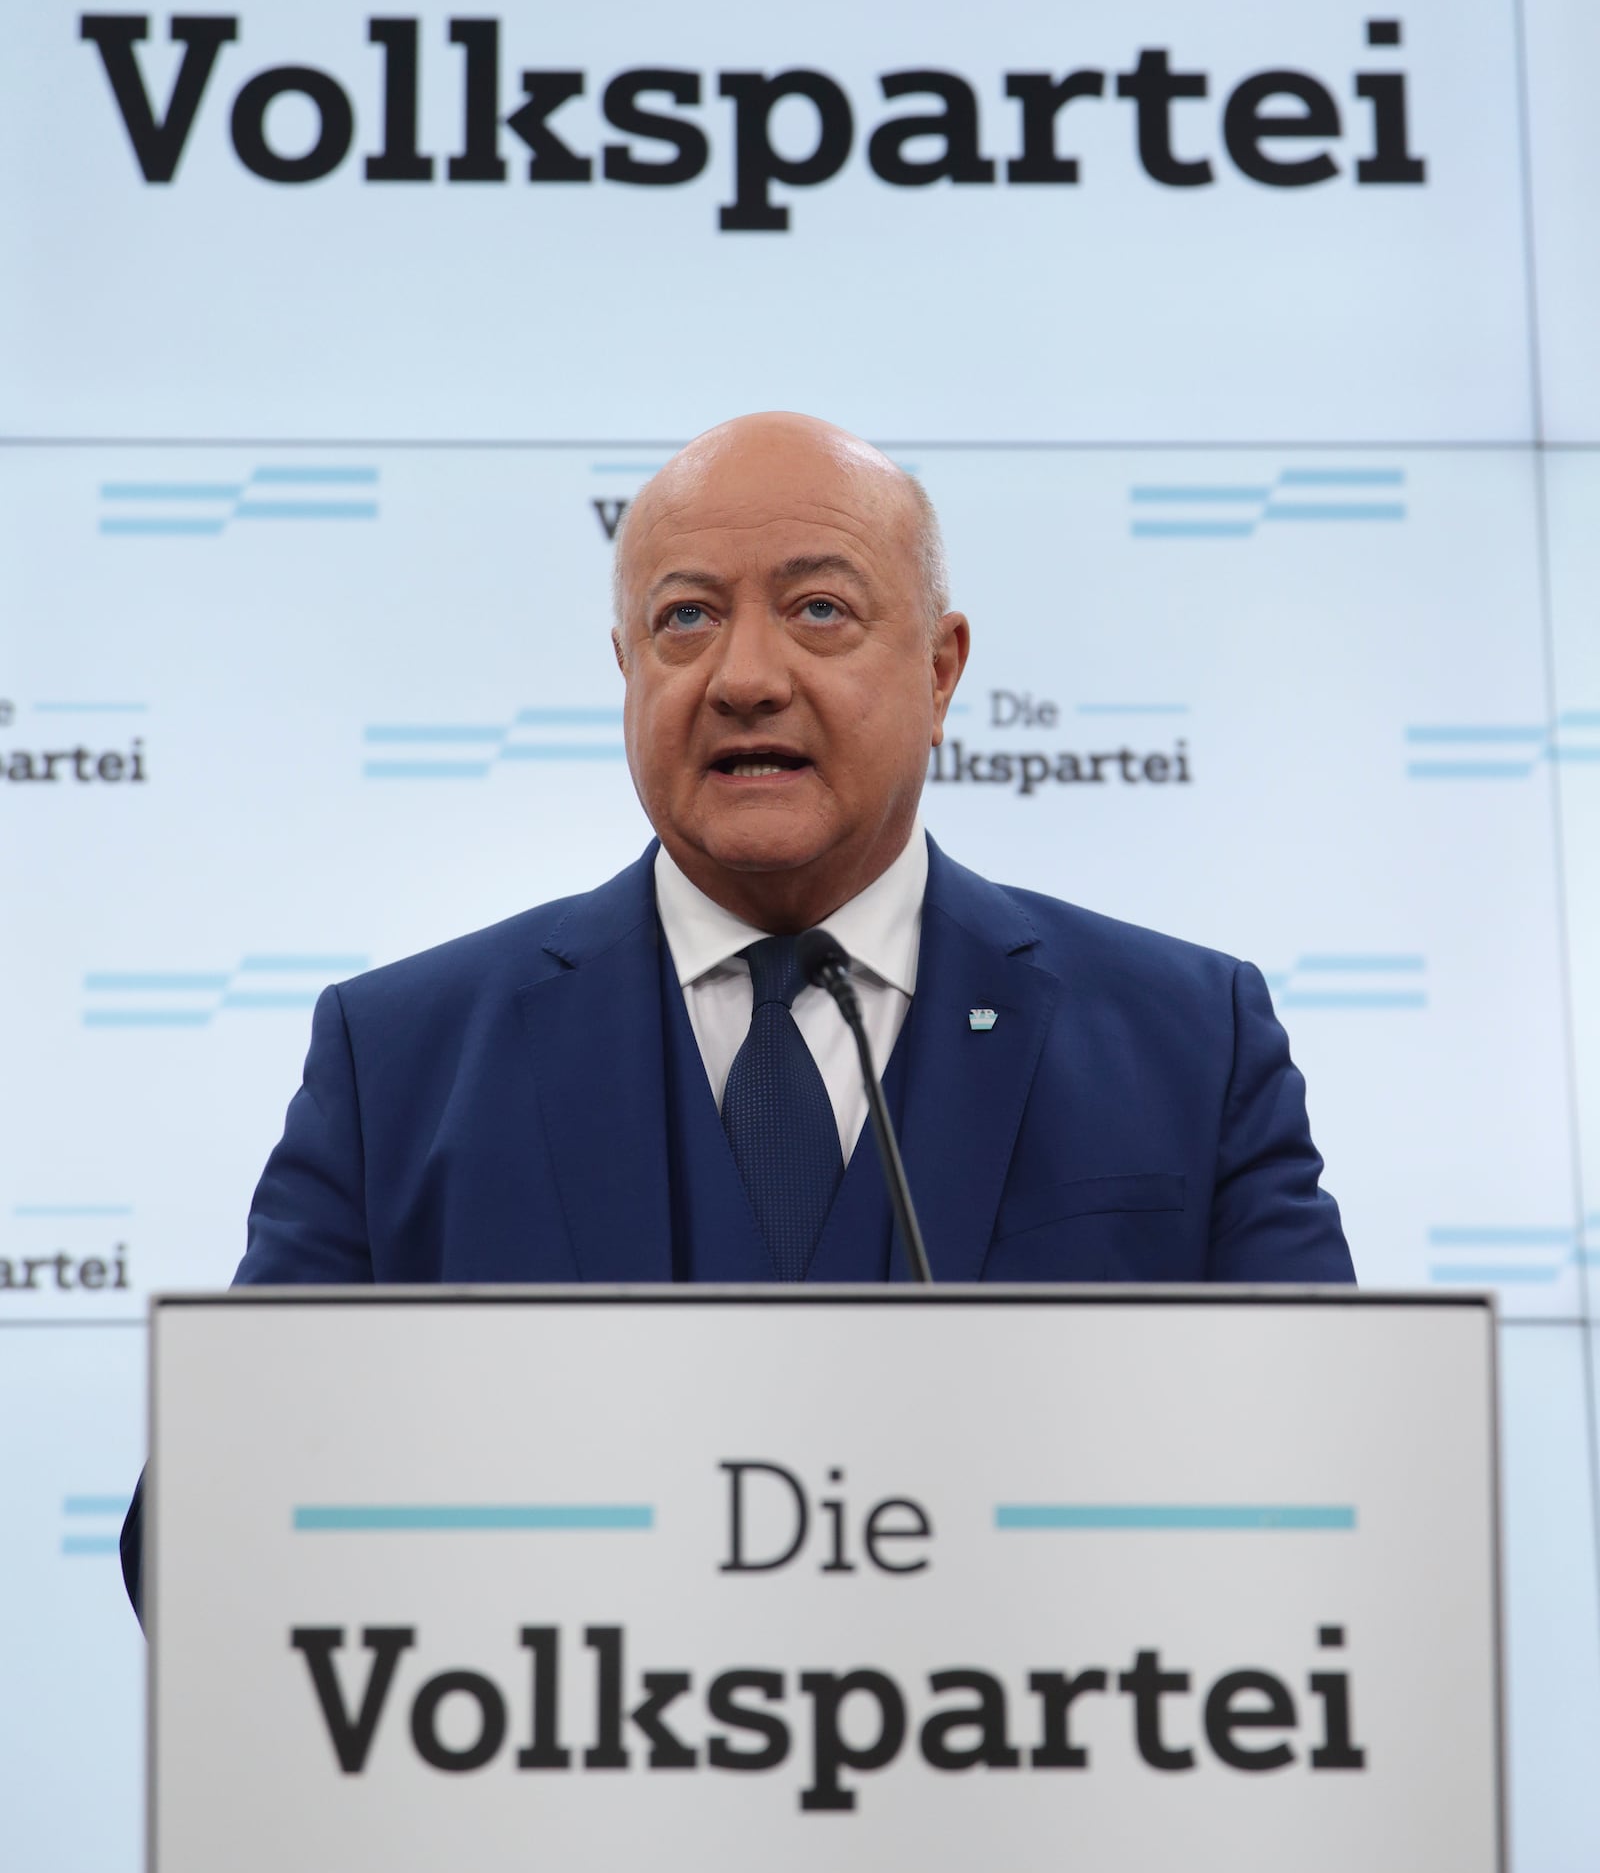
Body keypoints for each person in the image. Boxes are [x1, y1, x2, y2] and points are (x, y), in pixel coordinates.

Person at [120, 410, 1352, 1613]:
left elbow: (1331, 1497)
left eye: (819, 610)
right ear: (626, 671)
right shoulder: (399, 1062)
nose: (744, 677)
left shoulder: (1190, 1043)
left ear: (939, 670)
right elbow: (205, 1547)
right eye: (686, 620)